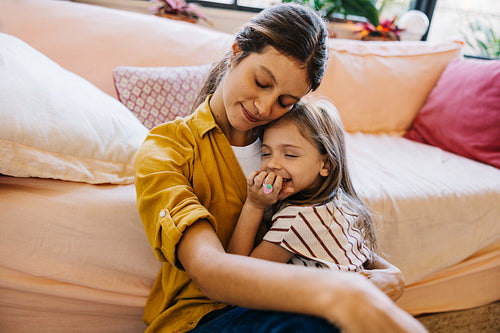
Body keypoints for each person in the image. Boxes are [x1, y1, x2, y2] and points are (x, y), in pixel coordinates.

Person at [134, 3, 427, 333]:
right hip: (202, 318)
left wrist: (389, 273)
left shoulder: (291, 142)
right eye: (261, 82)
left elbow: (326, 219)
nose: (264, 108)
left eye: (286, 101)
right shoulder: (167, 150)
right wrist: (340, 294)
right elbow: (210, 271)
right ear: (236, 53)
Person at [227, 100, 381, 274]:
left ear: (326, 165)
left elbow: (237, 273)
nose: (272, 164)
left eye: (290, 154)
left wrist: (254, 204)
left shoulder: (297, 219)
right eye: (266, 153)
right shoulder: (336, 199)